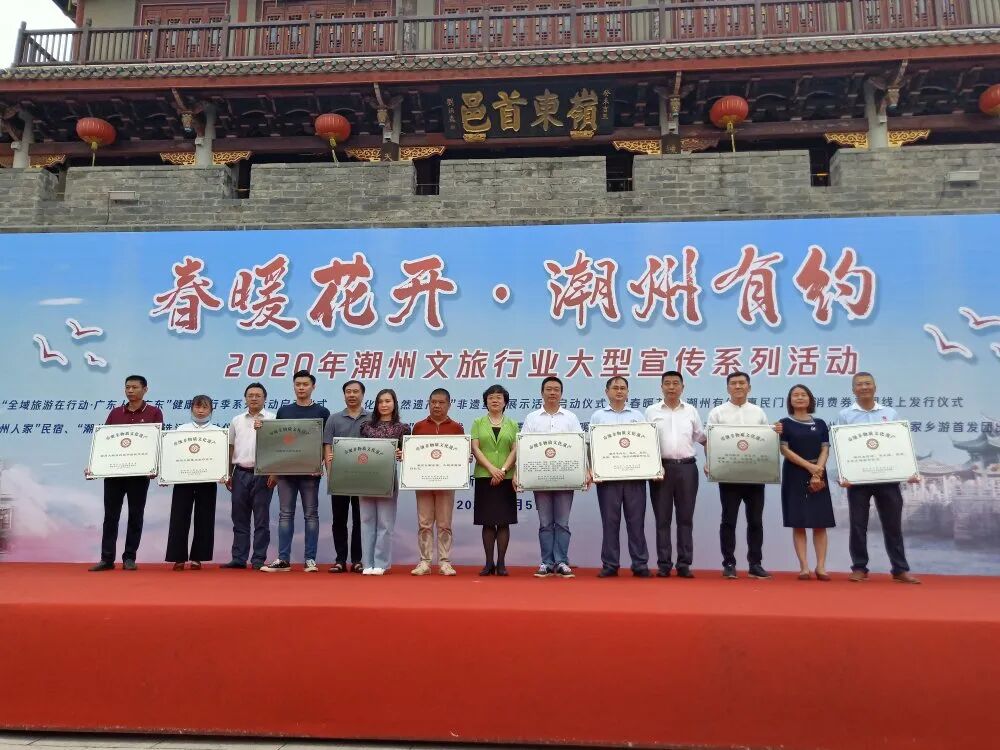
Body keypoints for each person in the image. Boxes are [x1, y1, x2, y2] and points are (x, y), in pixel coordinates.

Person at [837, 372, 921, 584]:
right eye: (859, 384)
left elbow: (899, 444)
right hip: (858, 480)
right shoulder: (845, 415)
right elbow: (842, 447)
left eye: (868, 383)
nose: (864, 387)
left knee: (893, 525)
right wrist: (843, 474)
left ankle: (900, 569)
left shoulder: (890, 413)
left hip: (887, 478)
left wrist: (908, 470)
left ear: (875, 387)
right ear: (853, 390)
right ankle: (859, 567)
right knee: (858, 525)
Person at [706, 371, 781, 580]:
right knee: (728, 520)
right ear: (727, 387)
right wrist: (710, 463)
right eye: (733, 383)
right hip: (728, 476)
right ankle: (729, 563)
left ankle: (755, 564)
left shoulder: (758, 412)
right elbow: (711, 442)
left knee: (755, 521)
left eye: (742, 383)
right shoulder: (717, 412)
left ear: (749, 387)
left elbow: (765, 442)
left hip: (755, 477)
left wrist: (775, 433)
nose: (738, 386)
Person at [86, 375, 164, 572]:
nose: (130, 391)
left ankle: (129, 557)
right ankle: (107, 558)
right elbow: (104, 442)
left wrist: (154, 466)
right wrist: (94, 466)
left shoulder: (154, 412)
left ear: (145, 389)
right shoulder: (115, 413)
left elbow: (157, 443)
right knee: (110, 516)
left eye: (135, 387)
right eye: (127, 387)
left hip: (139, 475)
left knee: (135, 515)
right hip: (114, 474)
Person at [261, 371, 330, 573]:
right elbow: (277, 442)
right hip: (285, 474)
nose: (301, 387)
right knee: (285, 515)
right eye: (298, 384)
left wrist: (320, 465)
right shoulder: (284, 411)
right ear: (293, 386)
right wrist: (274, 471)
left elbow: (325, 443)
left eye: (305, 384)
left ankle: (310, 559)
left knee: (311, 515)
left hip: (310, 474)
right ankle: (283, 559)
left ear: (313, 387)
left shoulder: (322, 412)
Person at [520, 376, 587, 579]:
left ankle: (562, 561)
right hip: (540, 477)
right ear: (542, 393)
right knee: (545, 523)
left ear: (561, 393)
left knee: (563, 523)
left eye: (556, 389)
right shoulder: (532, 418)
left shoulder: (570, 418)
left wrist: (585, 470)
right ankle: (546, 562)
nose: (552, 392)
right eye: (548, 389)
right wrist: (520, 474)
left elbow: (579, 446)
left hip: (565, 477)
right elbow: (524, 447)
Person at [645, 370, 705, 578]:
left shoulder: (691, 411)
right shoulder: (651, 411)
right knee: (662, 519)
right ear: (661, 387)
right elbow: (644, 442)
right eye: (667, 383)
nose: (671, 387)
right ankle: (664, 564)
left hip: (687, 469)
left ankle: (684, 564)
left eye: (675, 383)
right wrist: (652, 466)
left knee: (685, 518)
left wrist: (713, 462)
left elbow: (703, 438)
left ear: (682, 387)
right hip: (660, 470)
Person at [590, 376, 650, 578]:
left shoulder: (638, 416)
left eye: (623, 388)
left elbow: (646, 446)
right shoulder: (598, 416)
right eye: (615, 387)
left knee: (637, 522)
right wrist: (593, 469)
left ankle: (640, 564)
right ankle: (610, 564)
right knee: (610, 522)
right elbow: (592, 446)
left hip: (635, 478)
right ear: (606, 391)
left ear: (628, 392)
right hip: (608, 480)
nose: (619, 391)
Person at [779, 384, 834, 581]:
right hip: (794, 473)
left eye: (803, 395)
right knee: (798, 522)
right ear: (790, 400)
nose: (800, 397)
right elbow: (784, 450)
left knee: (820, 523)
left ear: (810, 399)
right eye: (795, 395)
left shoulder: (820, 423)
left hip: (818, 474)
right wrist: (809, 467)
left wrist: (818, 469)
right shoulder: (784, 423)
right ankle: (804, 567)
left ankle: (821, 567)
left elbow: (825, 449)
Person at [410, 388, 464, 576]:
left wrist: (464, 458)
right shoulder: (418, 427)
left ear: (449, 404)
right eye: (433, 402)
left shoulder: (456, 428)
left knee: (444, 524)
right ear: (428, 403)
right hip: (423, 483)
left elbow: (460, 454)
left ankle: (444, 562)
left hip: (446, 484)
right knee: (424, 523)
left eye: (441, 402)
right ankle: (424, 561)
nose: (437, 406)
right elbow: (413, 454)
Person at [165, 395, 224, 570]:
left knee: (205, 518)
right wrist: (166, 474)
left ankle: (198, 557)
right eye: (197, 407)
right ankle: (178, 558)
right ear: (191, 409)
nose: (200, 411)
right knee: (179, 517)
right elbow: (173, 455)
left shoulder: (218, 432)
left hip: (207, 480)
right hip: (183, 480)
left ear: (211, 410)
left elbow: (221, 457)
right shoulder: (181, 429)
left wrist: (223, 473)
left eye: (205, 407)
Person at [222, 382, 275, 570]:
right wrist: (227, 473)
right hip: (240, 473)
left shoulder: (273, 419)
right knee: (239, 518)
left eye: (258, 395)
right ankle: (239, 558)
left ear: (265, 398)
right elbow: (230, 447)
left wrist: (275, 472)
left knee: (261, 520)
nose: (254, 398)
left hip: (263, 474)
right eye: (250, 395)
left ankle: (258, 558)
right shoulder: (236, 420)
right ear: (245, 398)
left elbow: (278, 448)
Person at [358, 388, 410, 575]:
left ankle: (381, 563)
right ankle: (367, 563)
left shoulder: (403, 428)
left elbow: (407, 455)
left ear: (394, 403)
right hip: (366, 476)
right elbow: (358, 450)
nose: (384, 405)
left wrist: (402, 454)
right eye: (380, 401)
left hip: (388, 477)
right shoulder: (366, 426)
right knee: (366, 520)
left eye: (388, 401)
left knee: (385, 522)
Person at [470, 384, 518, 576]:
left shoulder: (512, 424)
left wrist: (503, 470)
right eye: (491, 398)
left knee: (504, 522)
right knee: (488, 522)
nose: (495, 400)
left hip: (506, 478)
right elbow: (475, 448)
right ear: (486, 402)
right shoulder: (478, 422)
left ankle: (502, 563)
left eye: (498, 397)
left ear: (505, 402)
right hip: (485, 476)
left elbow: (515, 449)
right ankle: (488, 563)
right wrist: (491, 469)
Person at [322, 379, 369, 574]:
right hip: (340, 478)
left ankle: (357, 560)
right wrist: (330, 473)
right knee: (339, 520)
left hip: (365, 478)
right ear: (344, 395)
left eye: (355, 391)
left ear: (362, 394)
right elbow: (327, 447)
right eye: (348, 391)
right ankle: (340, 560)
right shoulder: (333, 419)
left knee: (360, 520)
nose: (352, 395)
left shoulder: (371, 418)